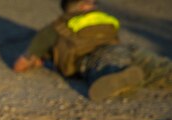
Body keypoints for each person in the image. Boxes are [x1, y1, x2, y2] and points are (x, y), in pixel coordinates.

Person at [12, 0, 171, 101]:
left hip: (100, 56)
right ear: (83, 5)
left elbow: (20, 65)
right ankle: (150, 73)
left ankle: (118, 76)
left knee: (108, 63)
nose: (94, 6)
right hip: (126, 50)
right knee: (150, 63)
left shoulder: (54, 28)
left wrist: (37, 60)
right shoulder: (103, 18)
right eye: (92, 3)